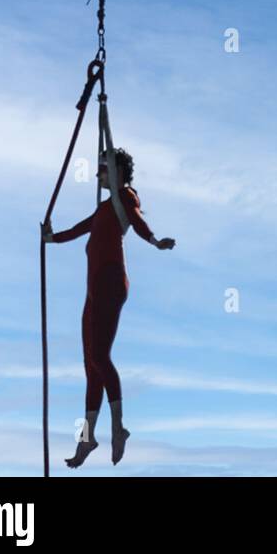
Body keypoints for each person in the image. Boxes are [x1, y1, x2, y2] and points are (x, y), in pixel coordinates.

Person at [42, 148, 174, 468]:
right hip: (94, 289)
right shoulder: (104, 207)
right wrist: (52, 238)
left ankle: (118, 427)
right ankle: (87, 436)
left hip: (110, 283)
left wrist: (155, 241)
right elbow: (80, 229)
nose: (97, 173)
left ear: (117, 173)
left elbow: (137, 221)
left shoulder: (124, 198)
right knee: (91, 365)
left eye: (103, 168)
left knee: (99, 357)